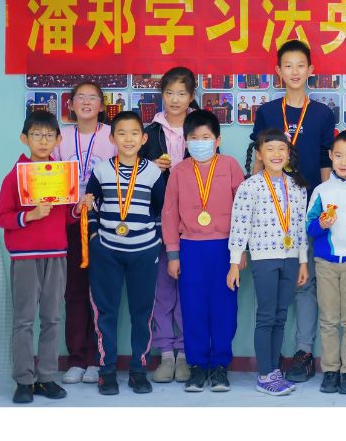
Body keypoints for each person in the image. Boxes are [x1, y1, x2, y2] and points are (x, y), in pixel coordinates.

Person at [251, 39, 335, 383]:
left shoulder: (323, 113)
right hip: (272, 213)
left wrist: (325, 207)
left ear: (311, 70)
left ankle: (303, 352)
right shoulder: (267, 112)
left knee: (305, 283)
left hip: (309, 211)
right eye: (288, 65)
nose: (295, 71)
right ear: (278, 71)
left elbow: (327, 165)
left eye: (301, 65)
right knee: (275, 284)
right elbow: (258, 159)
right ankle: (271, 355)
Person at [0, 111, 92, 404]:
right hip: (25, 257)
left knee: (52, 318)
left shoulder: (61, 175)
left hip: (57, 254)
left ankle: (46, 377)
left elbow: (66, 218)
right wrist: (30, 215)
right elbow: (2, 217)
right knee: (24, 320)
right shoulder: (14, 176)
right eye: (36, 135)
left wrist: (78, 208)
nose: (43, 140)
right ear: (24, 139)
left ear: (58, 140)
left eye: (49, 135)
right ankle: (24, 380)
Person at [161, 110, 245, 392]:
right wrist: (173, 254)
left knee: (224, 308)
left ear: (217, 140)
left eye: (206, 137)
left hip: (225, 248)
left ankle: (220, 366)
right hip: (190, 248)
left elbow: (243, 211)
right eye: (194, 138)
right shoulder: (179, 171)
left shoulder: (230, 166)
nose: (200, 143)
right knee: (193, 307)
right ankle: (197, 366)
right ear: (186, 142)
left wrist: (240, 251)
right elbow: (169, 214)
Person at [86, 111, 166, 395]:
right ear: (112, 138)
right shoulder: (101, 170)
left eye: (134, 133)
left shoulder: (153, 172)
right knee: (105, 313)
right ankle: (106, 371)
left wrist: (155, 240)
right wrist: (94, 235)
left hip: (143, 252)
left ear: (143, 139)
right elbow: (91, 203)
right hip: (107, 251)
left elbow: (161, 208)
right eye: (121, 133)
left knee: (141, 314)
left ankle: (138, 371)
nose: (128, 139)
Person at [228, 129, 309, 396]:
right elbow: (239, 225)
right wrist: (234, 261)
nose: (276, 154)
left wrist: (303, 261)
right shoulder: (250, 186)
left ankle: (274, 370)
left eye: (281, 149)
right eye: (270, 149)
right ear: (260, 154)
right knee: (266, 316)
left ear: (288, 153)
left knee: (281, 315)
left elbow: (300, 227)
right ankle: (265, 374)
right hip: (264, 258)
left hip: (290, 259)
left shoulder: (297, 186)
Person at [52, 81, 116, 386]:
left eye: (93, 98)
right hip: (70, 222)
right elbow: (49, 178)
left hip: (105, 223)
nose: (87, 102)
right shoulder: (61, 137)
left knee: (101, 294)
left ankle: (97, 359)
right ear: (71, 104)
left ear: (102, 105)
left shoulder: (112, 136)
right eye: (81, 97)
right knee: (75, 292)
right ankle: (77, 359)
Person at [139, 66, 199, 384]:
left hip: (193, 225)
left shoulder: (200, 130)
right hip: (157, 221)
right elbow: (133, 175)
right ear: (161, 95)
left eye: (182, 93)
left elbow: (213, 173)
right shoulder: (150, 132)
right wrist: (151, 166)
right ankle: (165, 354)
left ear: (191, 96)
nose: (175, 99)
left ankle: (186, 353)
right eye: (169, 93)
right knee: (162, 291)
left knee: (188, 291)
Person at [306, 130, 346, 395]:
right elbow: (309, 228)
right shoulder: (321, 191)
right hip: (325, 263)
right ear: (330, 155)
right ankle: (330, 370)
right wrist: (321, 224)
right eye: (338, 155)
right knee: (328, 319)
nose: (343, 161)